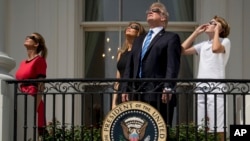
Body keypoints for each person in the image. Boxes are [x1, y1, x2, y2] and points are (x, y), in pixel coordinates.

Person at [121, 2, 181, 128]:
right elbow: (130, 67)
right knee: (138, 131)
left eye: (155, 10)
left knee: (159, 132)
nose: (150, 11)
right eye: (149, 10)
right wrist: (125, 88)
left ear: (163, 17)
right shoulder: (139, 40)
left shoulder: (171, 38)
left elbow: (172, 65)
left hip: (159, 94)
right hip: (137, 94)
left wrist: (168, 87)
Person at [181, 16, 230, 141]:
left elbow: (215, 49)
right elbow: (182, 50)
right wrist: (196, 33)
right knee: (201, 126)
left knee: (218, 124)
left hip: (216, 87)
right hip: (201, 87)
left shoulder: (225, 41)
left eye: (213, 23)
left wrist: (218, 31)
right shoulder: (203, 45)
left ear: (220, 28)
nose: (208, 24)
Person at [15, 32, 48, 137]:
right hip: (22, 98)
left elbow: (41, 86)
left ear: (36, 44)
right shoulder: (22, 63)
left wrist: (35, 109)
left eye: (31, 37)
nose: (27, 37)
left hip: (33, 99)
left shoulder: (39, 61)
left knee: (32, 134)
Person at [112, 22, 146, 109]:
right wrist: (113, 102)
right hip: (121, 91)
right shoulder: (121, 53)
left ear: (139, 32)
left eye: (133, 27)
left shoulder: (141, 52)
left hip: (135, 91)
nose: (129, 28)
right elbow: (117, 79)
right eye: (128, 26)